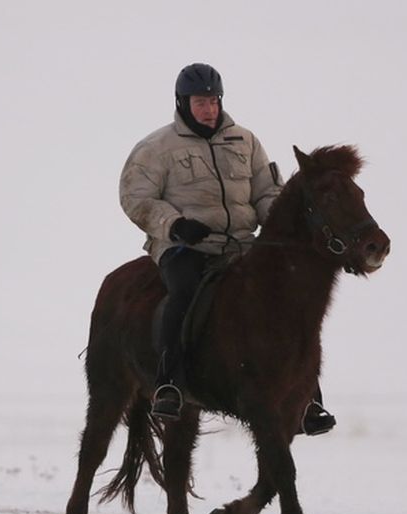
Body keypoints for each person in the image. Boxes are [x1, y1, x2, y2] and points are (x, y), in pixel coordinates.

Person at [119, 62, 335, 435]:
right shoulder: (156, 148)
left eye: (214, 101)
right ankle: (169, 383)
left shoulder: (245, 141)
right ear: (183, 102)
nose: (210, 109)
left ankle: (308, 399)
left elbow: (267, 192)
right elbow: (135, 197)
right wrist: (175, 225)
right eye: (201, 102)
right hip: (184, 247)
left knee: (290, 299)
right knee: (183, 293)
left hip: (240, 245)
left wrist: (280, 220)